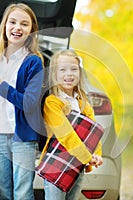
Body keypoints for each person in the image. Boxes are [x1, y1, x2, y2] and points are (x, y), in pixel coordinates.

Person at [0, 3, 44, 200]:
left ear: (31, 31)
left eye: (24, 24)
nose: (17, 28)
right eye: (13, 22)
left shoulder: (33, 62)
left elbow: (29, 103)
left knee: (22, 192)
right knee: (3, 192)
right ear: (4, 26)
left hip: (22, 136)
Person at [41, 49, 103, 200]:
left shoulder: (83, 103)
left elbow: (92, 132)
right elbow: (65, 134)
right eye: (62, 70)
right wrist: (87, 156)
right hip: (56, 163)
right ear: (54, 75)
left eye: (74, 69)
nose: (69, 74)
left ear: (79, 73)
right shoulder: (53, 102)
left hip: (78, 165)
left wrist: (96, 154)